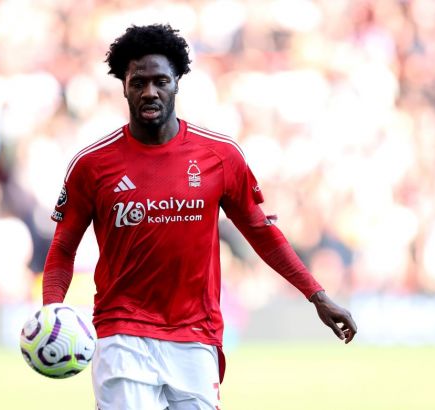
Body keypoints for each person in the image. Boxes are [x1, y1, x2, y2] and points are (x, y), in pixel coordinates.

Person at [42, 23, 357, 410]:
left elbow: (261, 232)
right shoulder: (92, 165)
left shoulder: (219, 156)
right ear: (123, 85)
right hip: (122, 333)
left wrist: (316, 295)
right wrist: (52, 310)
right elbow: (63, 247)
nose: (150, 91)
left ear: (177, 82)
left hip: (196, 334)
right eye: (138, 82)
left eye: (160, 80)